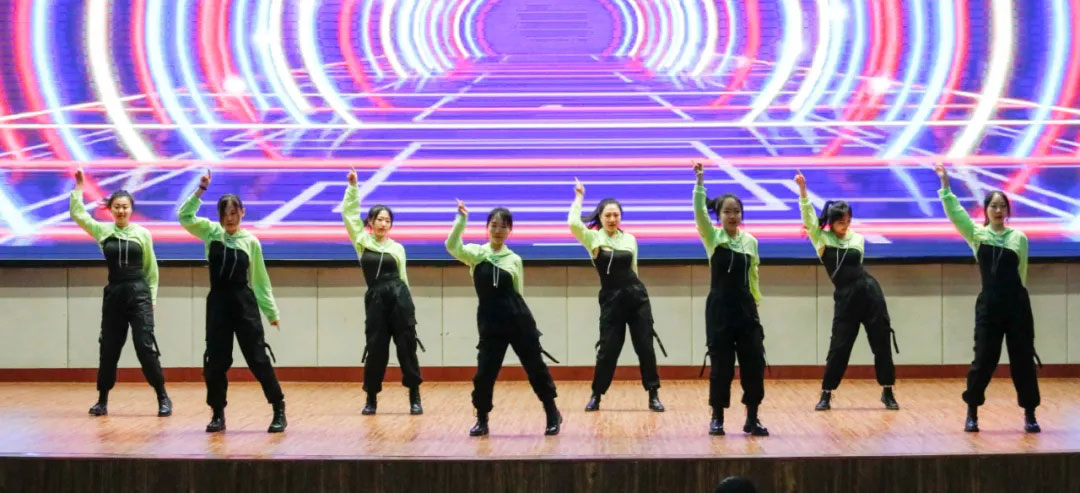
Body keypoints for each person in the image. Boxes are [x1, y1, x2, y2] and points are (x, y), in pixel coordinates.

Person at [934, 163, 1041, 433]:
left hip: (1017, 307)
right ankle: (972, 411)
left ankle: (1030, 413)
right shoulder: (977, 235)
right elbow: (956, 214)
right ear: (986, 210)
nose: (998, 210)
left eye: (1002, 206)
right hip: (989, 307)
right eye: (993, 206)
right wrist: (945, 185)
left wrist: (1015, 299)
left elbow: (1022, 272)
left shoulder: (1019, 238)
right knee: (983, 360)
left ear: (1008, 211)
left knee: (1023, 361)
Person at [178, 170, 287, 433]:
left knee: (258, 359)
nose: (229, 218)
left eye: (234, 213)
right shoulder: (211, 233)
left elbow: (260, 281)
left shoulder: (251, 242)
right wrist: (201, 190)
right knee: (216, 361)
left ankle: (278, 408)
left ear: (242, 213)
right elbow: (184, 216)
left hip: (243, 304)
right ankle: (217, 413)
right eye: (225, 213)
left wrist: (271, 312)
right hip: (218, 304)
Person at [445, 200, 561, 436]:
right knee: (484, 374)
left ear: (510, 230)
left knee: (536, 369)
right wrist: (461, 219)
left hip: (519, 321)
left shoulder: (514, 259)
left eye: (504, 226)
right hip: (490, 324)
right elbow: (452, 245)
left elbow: (518, 292)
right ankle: (482, 419)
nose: (498, 230)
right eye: (494, 225)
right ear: (487, 227)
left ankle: (552, 412)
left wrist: (525, 323)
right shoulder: (476, 254)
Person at [794, 170, 900, 411]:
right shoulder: (821, 239)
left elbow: (856, 267)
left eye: (848, 221)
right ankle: (826, 393)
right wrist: (803, 191)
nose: (846, 226)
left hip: (870, 294)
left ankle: (888, 391)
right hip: (846, 298)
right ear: (832, 222)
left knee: (881, 343)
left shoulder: (857, 239)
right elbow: (808, 217)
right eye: (841, 222)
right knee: (839, 346)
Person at [70, 168, 170, 417]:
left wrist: (152, 298)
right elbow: (78, 214)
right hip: (114, 294)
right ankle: (102, 400)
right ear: (111, 209)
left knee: (145, 347)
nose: (121, 211)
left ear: (131, 209)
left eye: (125, 207)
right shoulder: (103, 232)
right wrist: (79, 187)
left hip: (139, 294)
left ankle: (163, 397)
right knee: (109, 348)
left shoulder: (142, 234)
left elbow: (151, 269)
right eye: (117, 207)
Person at [568, 179, 666, 413]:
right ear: (601, 218)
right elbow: (573, 223)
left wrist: (639, 295)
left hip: (637, 299)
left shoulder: (630, 239)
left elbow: (634, 269)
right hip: (611, 300)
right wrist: (579, 197)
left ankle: (653, 394)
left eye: (616, 215)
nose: (612, 219)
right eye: (608, 215)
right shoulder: (593, 238)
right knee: (608, 350)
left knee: (645, 347)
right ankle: (596, 395)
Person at [693, 162, 768, 436]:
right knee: (721, 366)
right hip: (719, 310)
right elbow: (699, 213)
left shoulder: (751, 242)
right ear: (719, 215)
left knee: (754, 364)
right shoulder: (712, 237)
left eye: (736, 211)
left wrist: (755, 301)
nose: (732, 215)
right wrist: (700, 182)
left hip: (746, 310)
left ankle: (752, 418)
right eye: (727, 211)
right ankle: (717, 417)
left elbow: (753, 275)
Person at [342, 169, 424, 415]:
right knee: (376, 349)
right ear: (370, 222)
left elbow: (404, 278)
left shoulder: (397, 248)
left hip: (400, 299)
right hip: (376, 300)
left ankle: (414, 396)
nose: (383, 224)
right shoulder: (361, 241)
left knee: (406, 348)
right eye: (379, 219)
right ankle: (371, 398)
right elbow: (349, 215)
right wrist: (353, 187)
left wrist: (409, 307)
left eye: (387, 220)